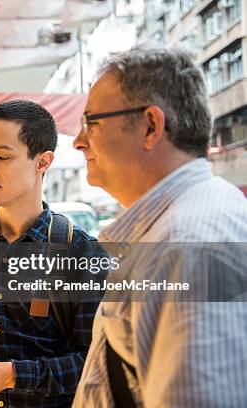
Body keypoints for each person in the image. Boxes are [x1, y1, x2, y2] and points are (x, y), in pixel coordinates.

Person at [72, 46, 247, 407]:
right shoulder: (182, 228)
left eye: (91, 122)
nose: (78, 141)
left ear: (151, 125)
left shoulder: (187, 249)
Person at [0, 100, 102, 407]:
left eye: (3, 156)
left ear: (43, 162)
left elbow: (93, 364)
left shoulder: (79, 252)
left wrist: (11, 375)